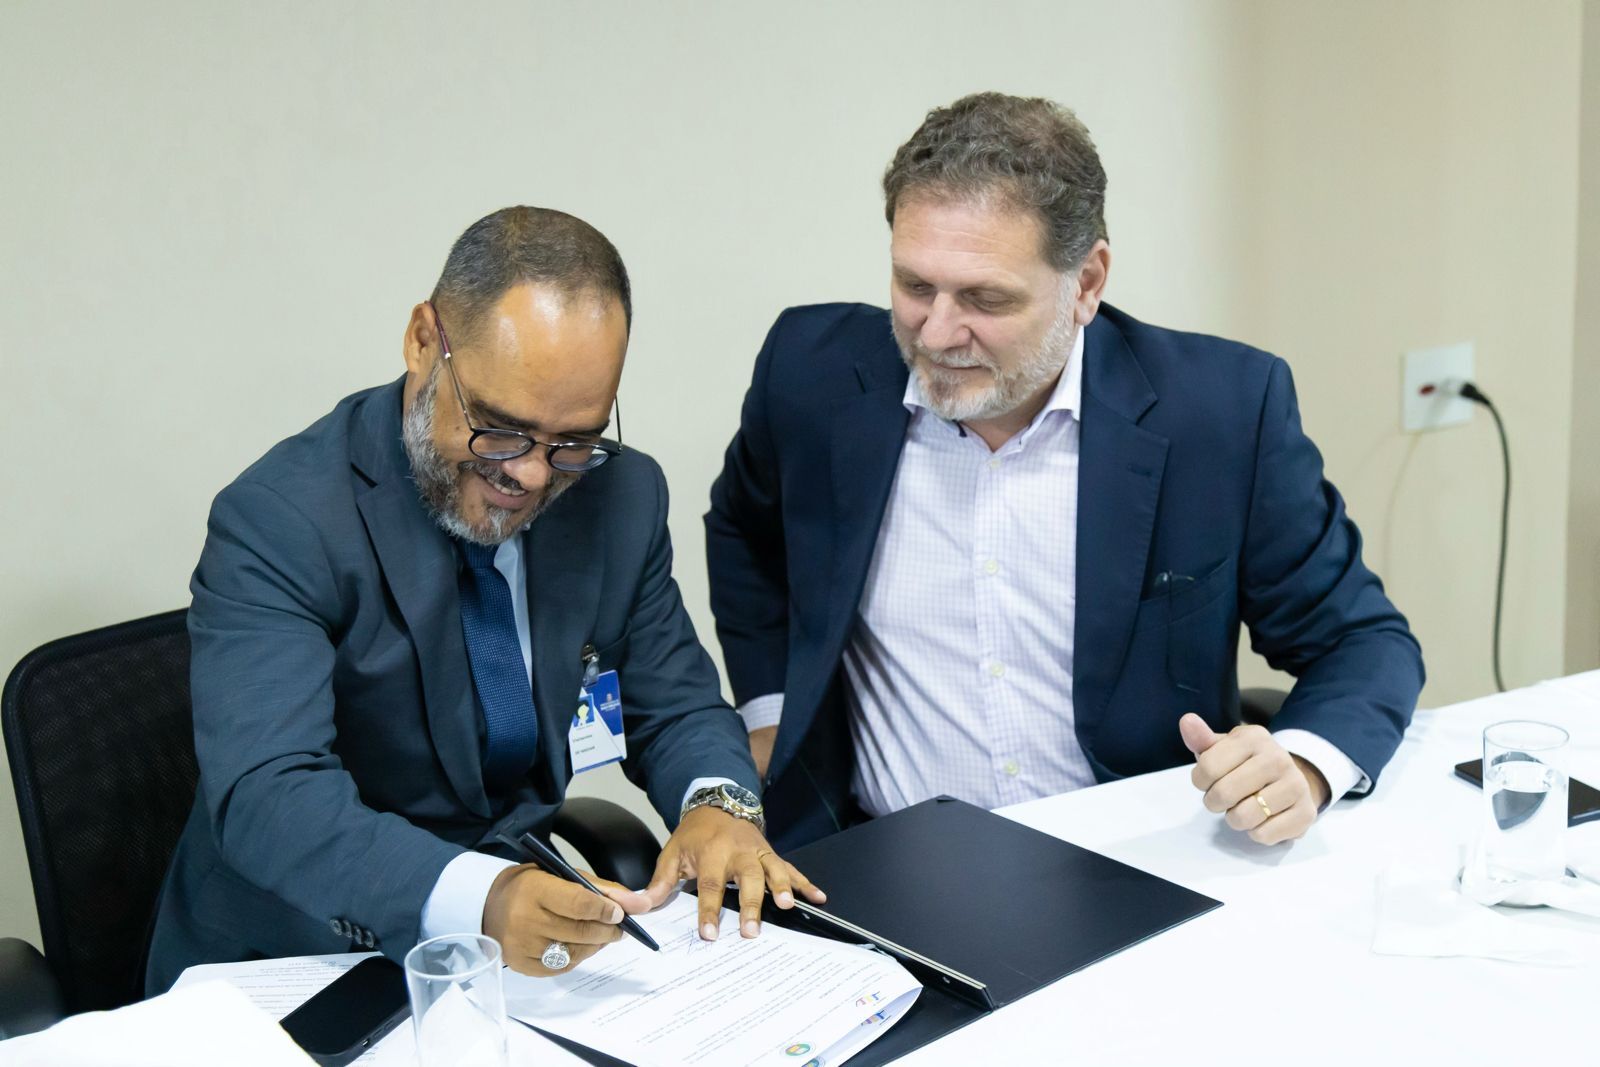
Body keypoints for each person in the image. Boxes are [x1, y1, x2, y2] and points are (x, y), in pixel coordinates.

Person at [706, 93, 1425, 852]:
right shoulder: (811, 375)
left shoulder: (1221, 414)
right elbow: (745, 533)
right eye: (915, 287)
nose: (937, 333)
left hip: (1138, 861)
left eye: (985, 298)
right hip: (881, 855)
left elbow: (1361, 641)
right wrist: (771, 710)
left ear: (1086, 283)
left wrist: (1304, 766)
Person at [147, 206, 822, 994]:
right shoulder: (284, 519)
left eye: (574, 440)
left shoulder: (619, 496)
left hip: (515, 954)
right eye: (499, 428)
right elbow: (271, 794)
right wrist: (481, 897)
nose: (530, 475)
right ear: (423, 342)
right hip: (304, 954)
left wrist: (718, 804)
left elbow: (673, 704)